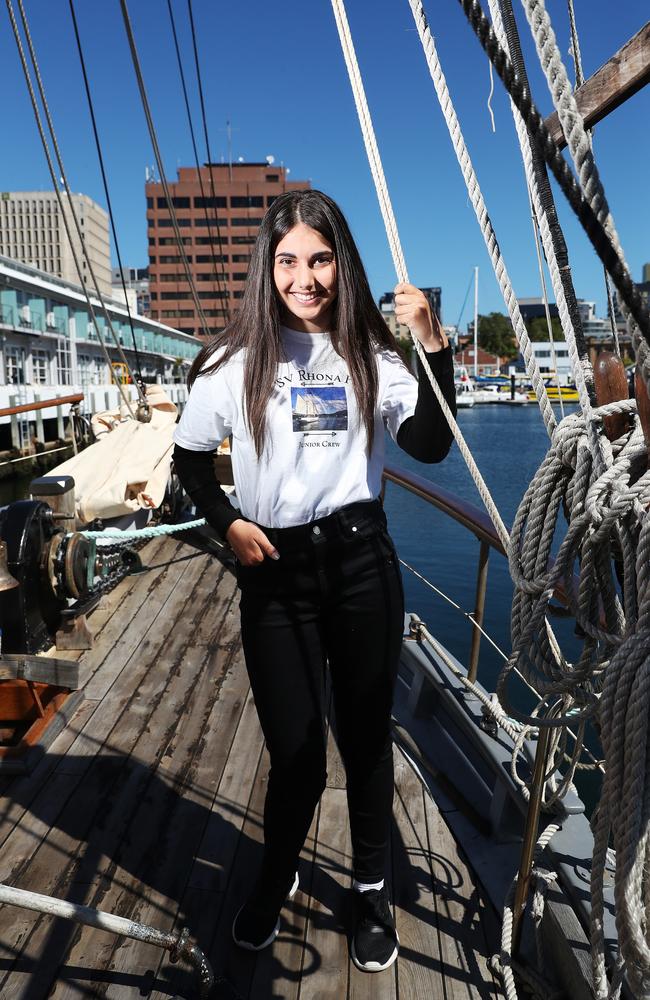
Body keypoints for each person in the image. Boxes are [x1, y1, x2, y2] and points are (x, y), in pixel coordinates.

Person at [172, 189, 456, 973]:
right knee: (296, 751)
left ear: (343, 265)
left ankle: (369, 887)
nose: (305, 277)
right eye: (290, 259)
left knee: (365, 740)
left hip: (362, 565)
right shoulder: (232, 363)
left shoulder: (372, 357)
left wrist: (433, 347)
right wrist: (226, 523)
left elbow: (430, 445)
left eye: (321, 259)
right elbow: (190, 462)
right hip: (276, 576)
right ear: (268, 267)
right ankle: (277, 872)